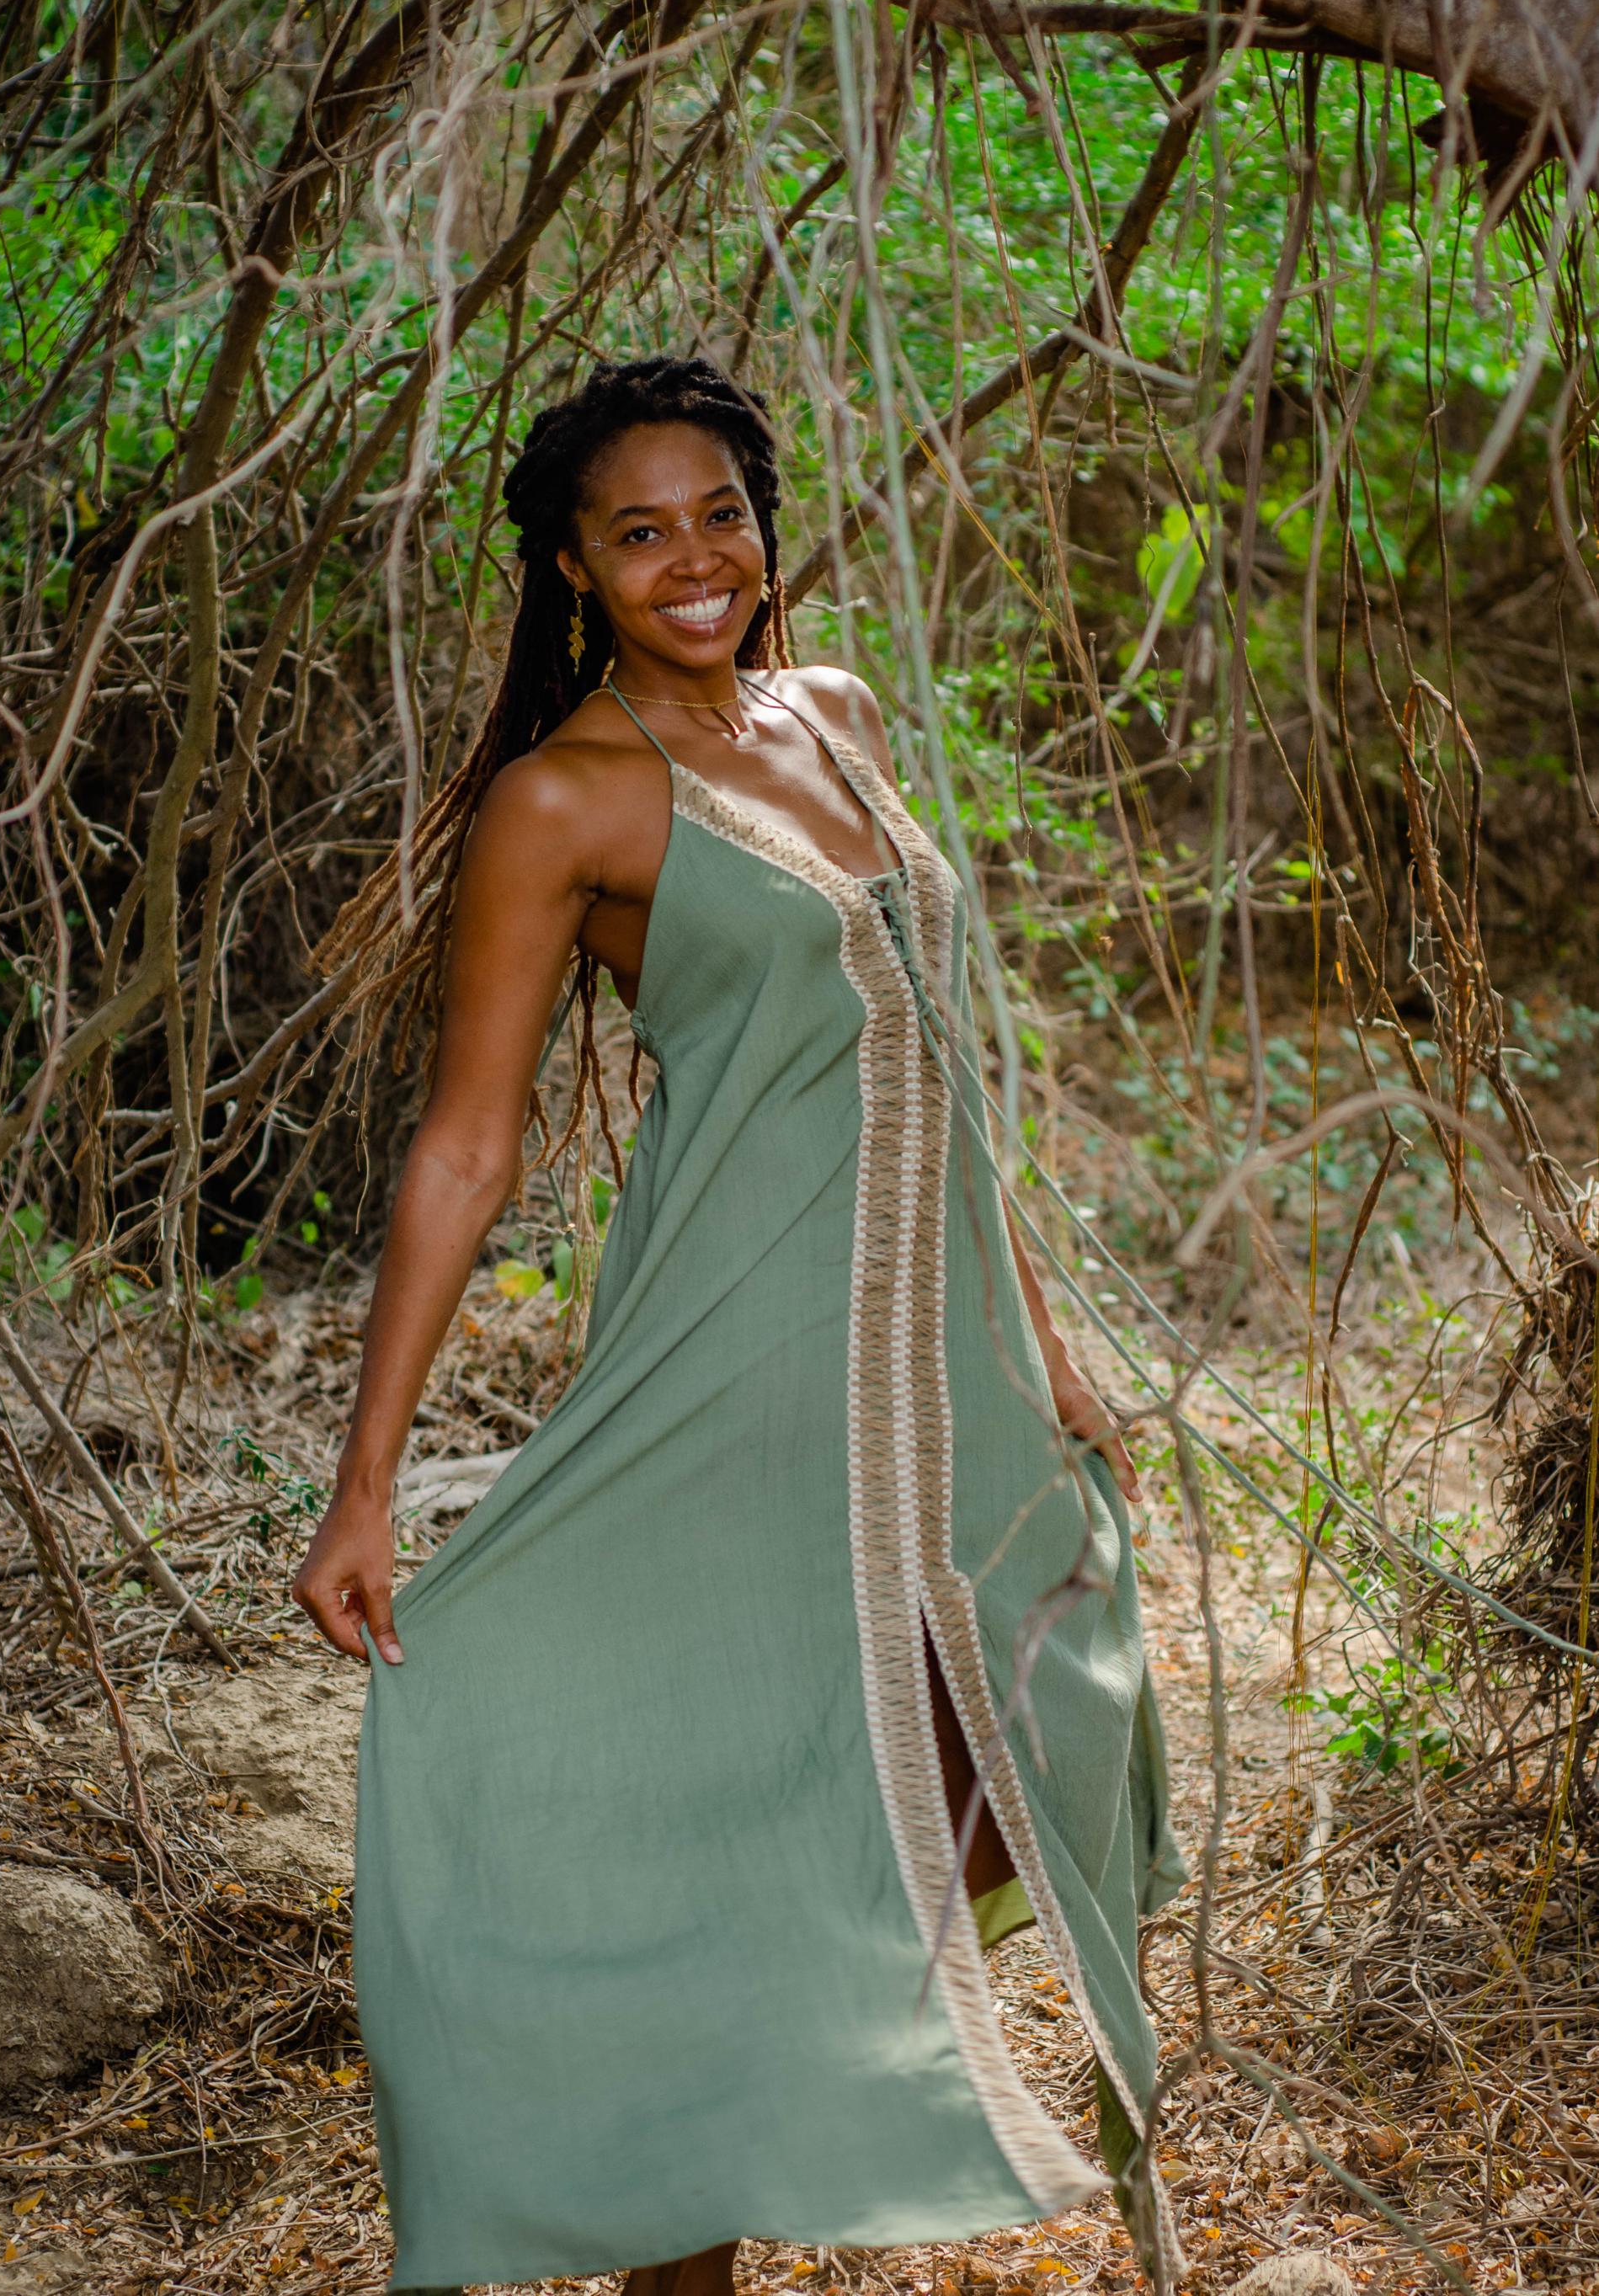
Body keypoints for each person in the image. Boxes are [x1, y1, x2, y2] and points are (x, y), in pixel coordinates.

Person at [292, 355, 1187, 2296]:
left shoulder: (841, 717)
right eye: (640, 533)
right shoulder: (563, 800)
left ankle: (745, 2062)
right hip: (727, 1360)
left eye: (719, 514)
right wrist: (364, 1485)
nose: (692, 559)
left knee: (1012, 1736)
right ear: (571, 570)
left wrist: (1037, 1328)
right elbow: (467, 1145)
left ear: (763, 528)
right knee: (661, 1780)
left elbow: (939, 1059)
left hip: (941, 1363)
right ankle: (666, 2248)